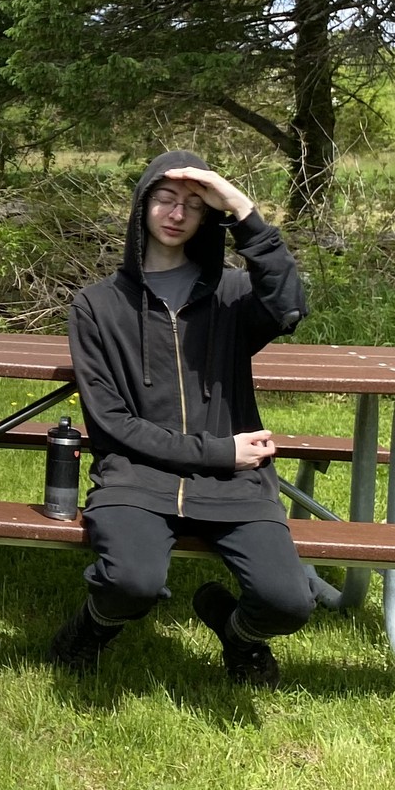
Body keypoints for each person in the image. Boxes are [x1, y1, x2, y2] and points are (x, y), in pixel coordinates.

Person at [47, 151, 313, 684]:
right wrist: (219, 450)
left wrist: (243, 209)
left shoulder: (233, 293)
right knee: (132, 584)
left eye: (194, 205)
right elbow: (111, 421)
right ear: (142, 206)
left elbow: (289, 305)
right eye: (165, 199)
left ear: (209, 217)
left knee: (289, 602)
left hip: (233, 482)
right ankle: (94, 626)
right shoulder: (97, 305)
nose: (176, 213)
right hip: (138, 476)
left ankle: (239, 634)